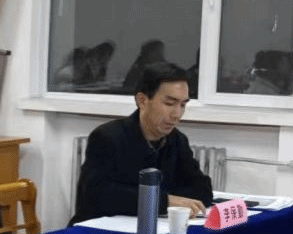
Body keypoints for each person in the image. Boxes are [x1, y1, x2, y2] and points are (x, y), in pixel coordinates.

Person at [71, 62, 214, 224]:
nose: (177, 114)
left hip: (153, 226)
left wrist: (166, 199)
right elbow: (98, 194)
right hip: (99, 229)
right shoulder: (108, 137)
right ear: (142, 100)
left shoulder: (177, 140)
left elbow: (202, 189)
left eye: (183, 105)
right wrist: (164, 200)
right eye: (169, 103)